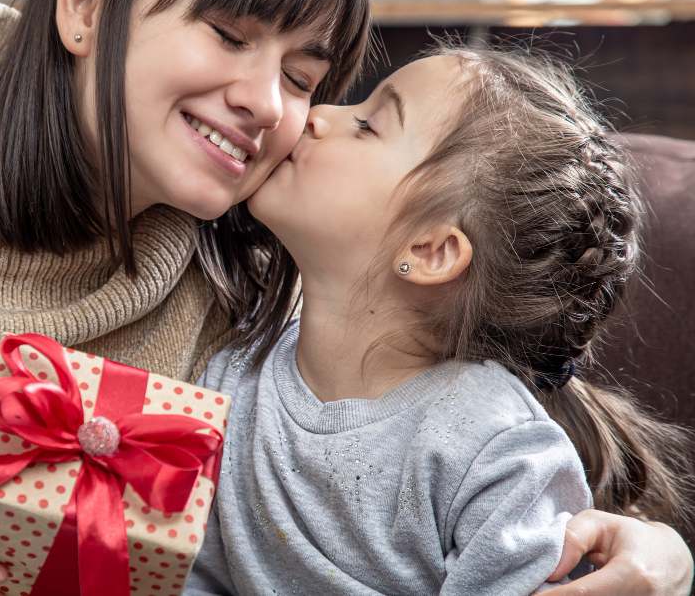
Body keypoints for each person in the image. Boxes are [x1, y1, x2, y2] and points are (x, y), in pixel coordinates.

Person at [0, 0, 689, 594]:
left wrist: (655, 553)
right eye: (227, 32)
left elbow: (484, 388)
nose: (275, 107)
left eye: (307, 77)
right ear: (83, 10)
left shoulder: (252, 267)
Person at [185, 44, 695, 595]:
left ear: (430, 251)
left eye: (367, 124)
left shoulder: (495, 452)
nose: (313, 115)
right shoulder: (232, 367)